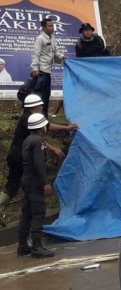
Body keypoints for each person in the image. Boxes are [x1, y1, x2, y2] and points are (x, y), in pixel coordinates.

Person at [1, 94, 77, 229]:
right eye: (40, 105)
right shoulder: (30, 119)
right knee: (29, 186)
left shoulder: (27, 118)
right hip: (20, 157)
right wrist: (66, 129)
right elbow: (45, 130)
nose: (42, 106)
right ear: (33, 107)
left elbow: (39, 136)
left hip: (15, 155)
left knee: (12, 186)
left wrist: (54, 149)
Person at [18, 113, 57, 258]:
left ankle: (22, 246)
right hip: (34, 182)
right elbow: (39, 164)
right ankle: (36, 246)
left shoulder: (28, 140)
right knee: (38, 213)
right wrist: (45, 183)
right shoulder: (38, 141)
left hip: (26, 180)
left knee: (26, 214)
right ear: (41, 126)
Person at [31, 18, 65, 116]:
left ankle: (44, 115)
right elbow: (36, 54)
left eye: (52, 25)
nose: (52, 28)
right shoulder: (40, 39)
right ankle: (37, 115)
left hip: (48, 70)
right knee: (39, 95)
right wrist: (35, 69)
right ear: (43, 28)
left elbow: (56, 52)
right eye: (50, 26)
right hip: (41, 71)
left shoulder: (52, 38)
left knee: (46, 94)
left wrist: (63, 57)